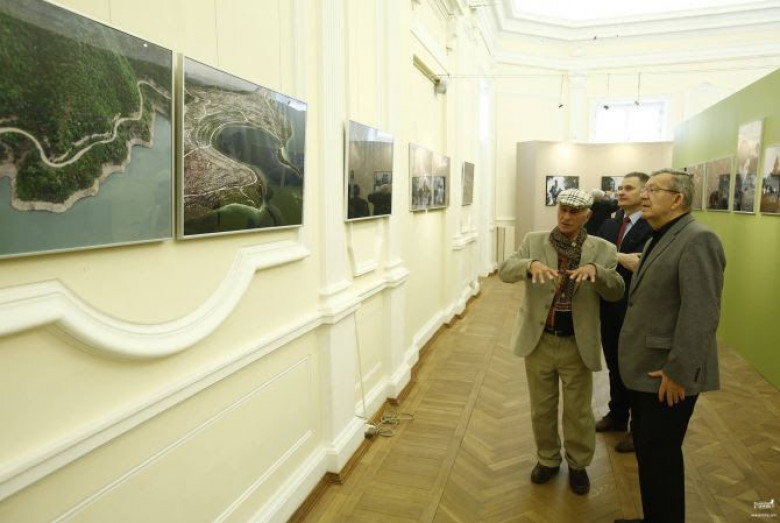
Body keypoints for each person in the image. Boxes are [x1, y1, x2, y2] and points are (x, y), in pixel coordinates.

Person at [615, 169, 726, 523]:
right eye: (644, 189)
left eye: (653, 189)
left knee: (660, 457)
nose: (644, 195)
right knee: (650, 454)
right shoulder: (658, 237)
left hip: (667, 376)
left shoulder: (698, 239)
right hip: (648, 369)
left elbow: (701, 314)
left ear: (677, 199)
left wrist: (678, 372)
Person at [498, 188, 624, 496]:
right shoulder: (534, 241)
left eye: (574, 212)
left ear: (587, 215)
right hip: (539, 340)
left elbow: (617, 290)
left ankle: (578, 465)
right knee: (541, 408)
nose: (566, 217)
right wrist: (529, 266)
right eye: (562, 210)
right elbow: (504, 271)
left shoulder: (603, 249)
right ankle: (547, 459)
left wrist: (597, 272)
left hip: (577, 343)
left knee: (578, 411)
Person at [594, 172, 653, 453]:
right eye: (620, 188)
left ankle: (637, 429)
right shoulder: (610, 223)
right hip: (608, 304)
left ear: (644, 193)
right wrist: (618, 257)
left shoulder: (652, 226)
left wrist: (613, 258)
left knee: (634, 368)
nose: (621, 192)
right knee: (614, 363)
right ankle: (617, 414)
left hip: (636, 307)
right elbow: (594, 253)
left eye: (628, 188)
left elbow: (642, 263)